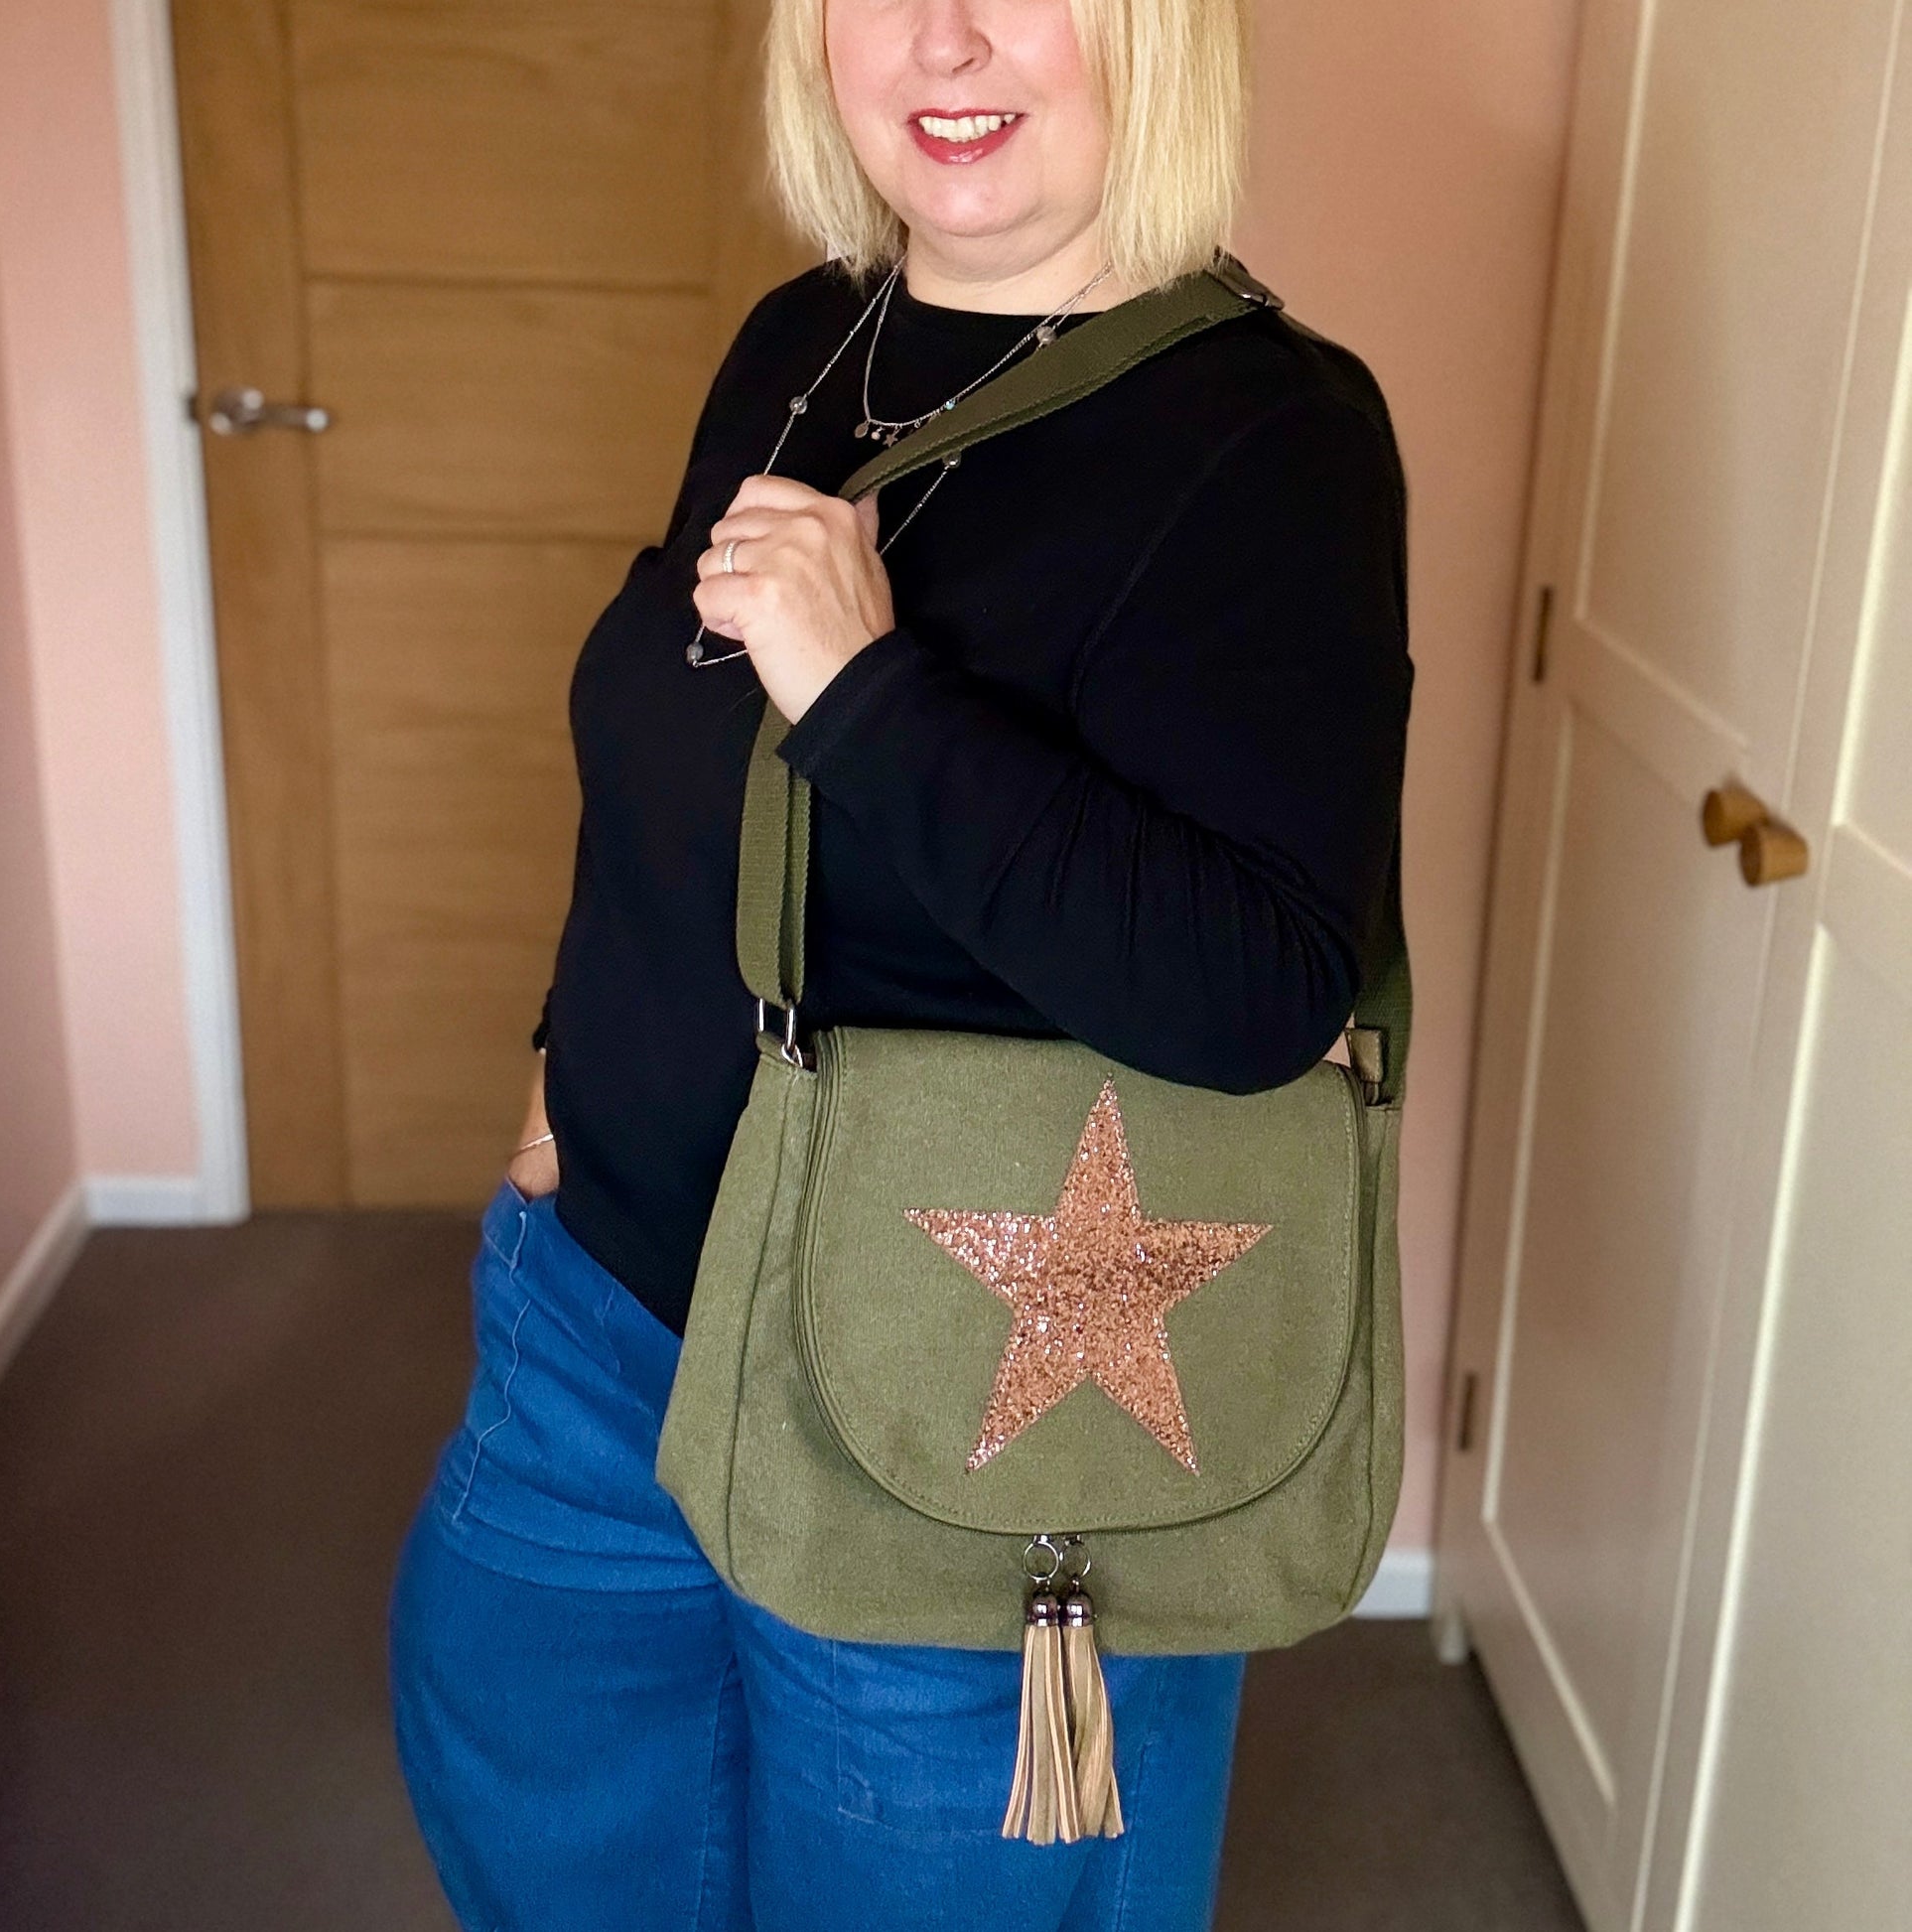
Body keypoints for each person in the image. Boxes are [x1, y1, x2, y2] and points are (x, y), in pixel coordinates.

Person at [387, 0, 1413, 1924]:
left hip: (957, 1395)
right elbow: (678, 762)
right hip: (598, 1321)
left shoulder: (1272, 436)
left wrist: (865, 690)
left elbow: (1252, 991)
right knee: (542, 1820)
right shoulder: (808, 338)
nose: (941, 41)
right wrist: (556, 1075)